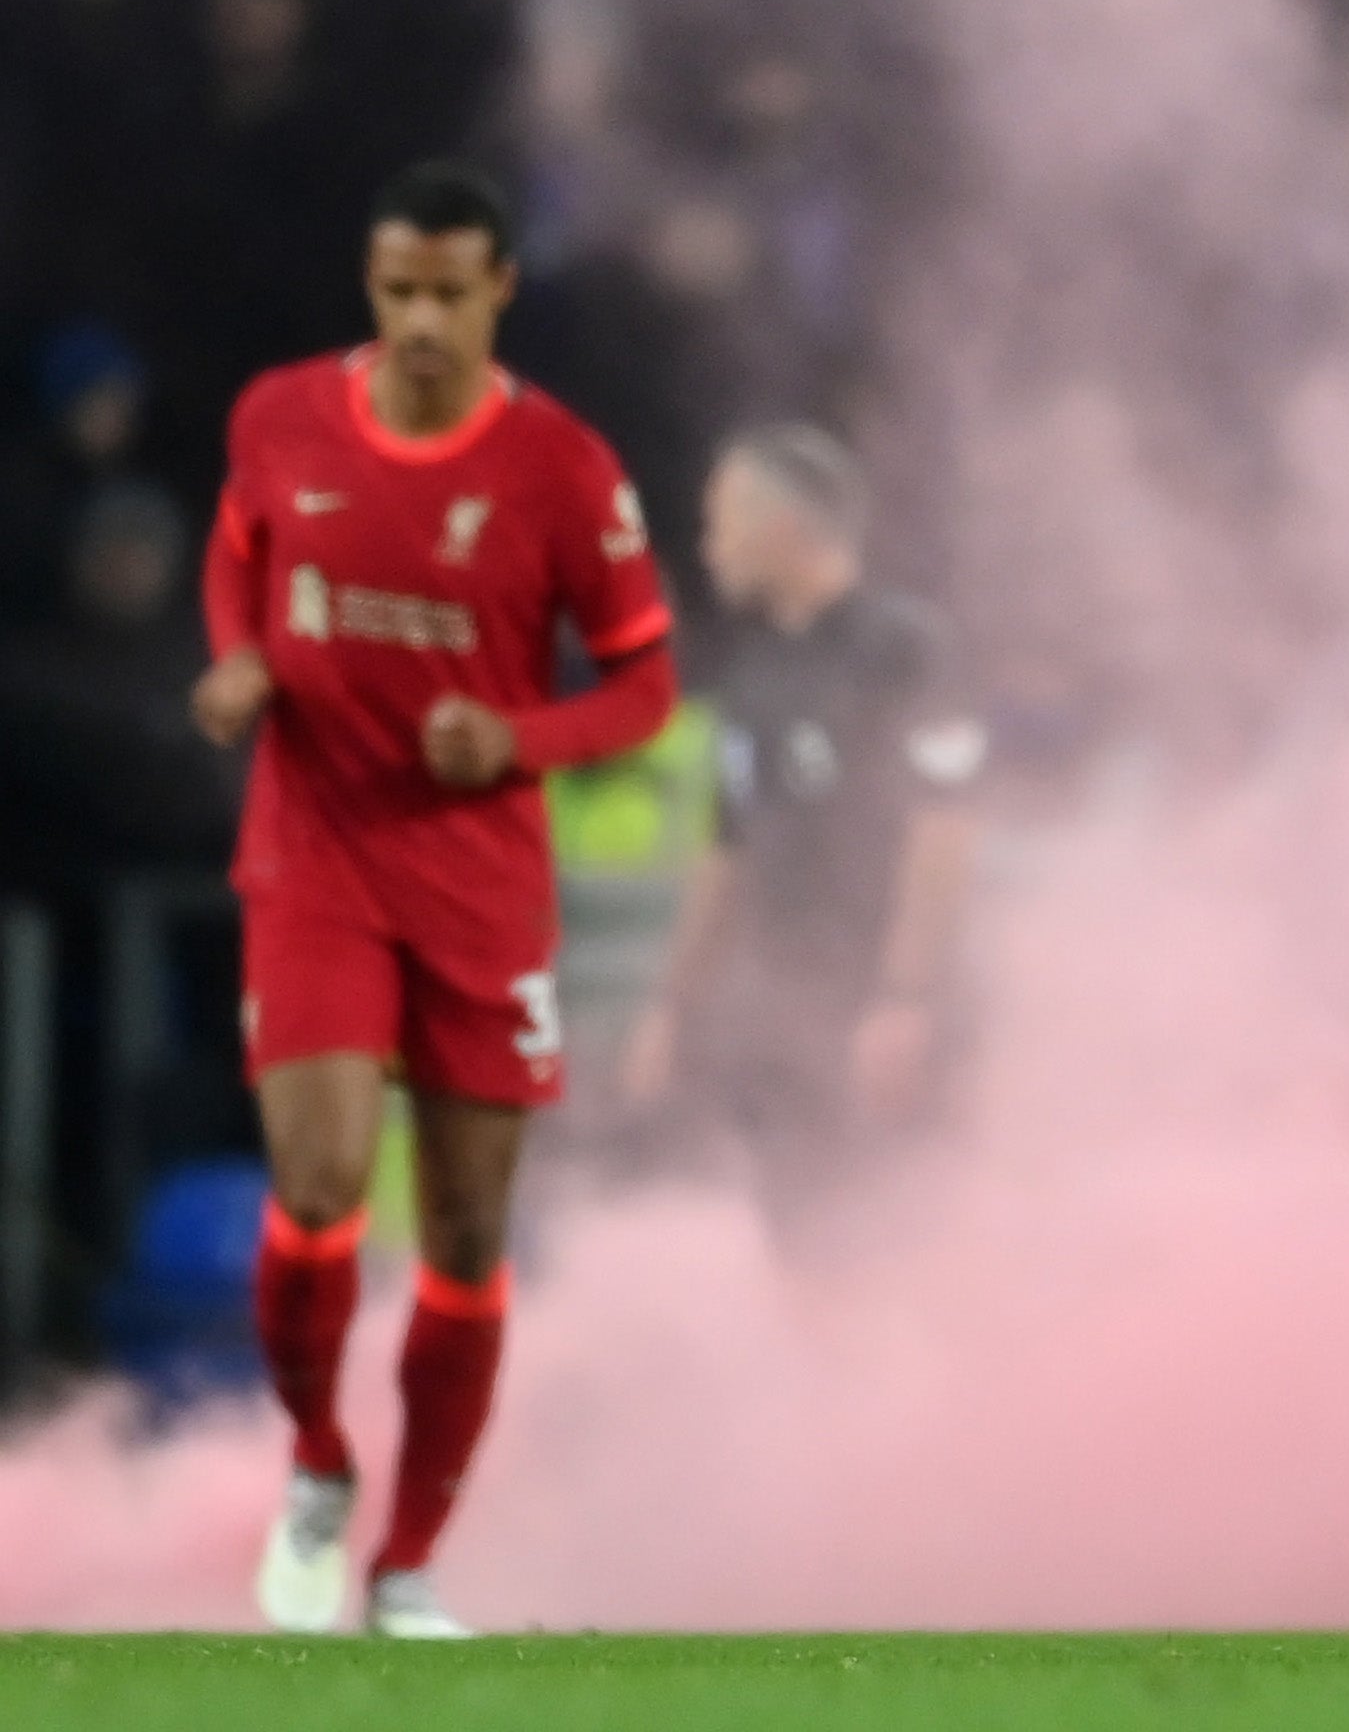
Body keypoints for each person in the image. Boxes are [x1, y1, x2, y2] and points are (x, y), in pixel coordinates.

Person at [191, 161, 679, 1638]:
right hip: (316, 849)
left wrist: (521, 741)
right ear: (372, 282)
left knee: (466, 1239)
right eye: (396, 289)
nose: (418, 323)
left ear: (500, 292)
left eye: (448, 295)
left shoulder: (567, 472)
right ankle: (320, 1464)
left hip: (476, 886)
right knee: (322, 1184)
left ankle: (407, 1568)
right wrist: (241, 660)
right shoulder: (279, 415)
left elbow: (647, 685)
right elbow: (236, 564)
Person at [618, 424, 985, 1209]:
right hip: (788, 1017)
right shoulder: (750, 673)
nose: (708, 544)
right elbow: (728, 850)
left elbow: (944, 827)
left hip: (886, 1013)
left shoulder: (904, 646)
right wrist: (671, 1006)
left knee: (903, 1240)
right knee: (803, 1243)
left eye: (723, 519)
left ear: (783, 526)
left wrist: (905, 997)